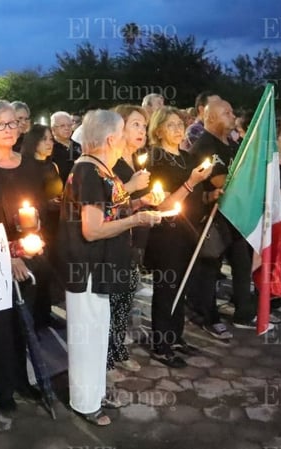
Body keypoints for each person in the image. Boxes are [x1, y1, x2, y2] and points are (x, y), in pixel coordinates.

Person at [59, 109, 162, 426]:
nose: (125, 141)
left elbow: (111, 208)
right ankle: (85, 403)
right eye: (121, 134)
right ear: (110, 138)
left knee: (97, 335)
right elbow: (92, 229)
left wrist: (139, 204)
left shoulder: (101, 169)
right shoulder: (89, 172)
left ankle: (94, 393)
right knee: (87, 338)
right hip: (88, 268)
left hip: (102, 268)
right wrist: (137, 219)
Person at [0, 101, 55, 411]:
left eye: (13, 124)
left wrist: (34, 237)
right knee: (3, 323)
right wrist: (7, 255)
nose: (9, 129)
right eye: (0, 124)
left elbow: (38, 210)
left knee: (25, 323)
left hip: (30, 253)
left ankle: (23, 379)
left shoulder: (30, 166)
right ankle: (4, 388)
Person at [143, 106, 213, 367]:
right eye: (171, 125)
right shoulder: (155, 159)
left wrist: (209, 195)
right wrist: (191, 183)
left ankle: (175, 334)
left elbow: (197, 195)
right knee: (167, 287)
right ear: (159, 130)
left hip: (189, 229)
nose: (177, 129)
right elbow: (161, 204)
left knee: (182, 286)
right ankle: (161, 343)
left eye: (180, 124)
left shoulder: (188, 157)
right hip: (167, 232)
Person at [187, 98, 252, 336]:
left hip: (234, 215)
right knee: (209, 269)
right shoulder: (205, 146)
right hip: (212, 218)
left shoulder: (233, 144)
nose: (233, 115)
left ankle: (245, 312)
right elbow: (221, 183)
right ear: (211, 117)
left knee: (242, 264)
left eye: (232, 111)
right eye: (227, 112)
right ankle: (207, 316)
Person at [105, 105, 152, 380]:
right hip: (116, 241)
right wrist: (132, 189)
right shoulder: (111, 164)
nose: (142, 131)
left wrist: (144, 201)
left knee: (126, 297)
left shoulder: (137, 161)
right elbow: (106, 206)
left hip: (135, 240)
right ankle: (107, 357)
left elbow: (128, 205)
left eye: (144, 126)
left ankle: (119, 348)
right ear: (118, 127)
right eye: (135, 124)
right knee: (113, 299)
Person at [51, 111, 82, 184]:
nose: (67, 128)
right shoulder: (49, 147)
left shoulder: (78, 146)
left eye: (69, 125)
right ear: (53, 129)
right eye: (62, 126)